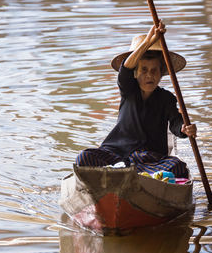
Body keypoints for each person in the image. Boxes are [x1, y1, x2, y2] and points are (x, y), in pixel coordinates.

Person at [75, 21, 197, 178]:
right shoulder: (129, 90)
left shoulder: (166, 98)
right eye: (144, 70)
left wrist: (184, 129)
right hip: (117, 152)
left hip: (147, 158)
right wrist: (148, 41)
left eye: (154, 70)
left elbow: (176, 123)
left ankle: (129, 175)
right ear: (136, 73)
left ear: (160, 75)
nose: (149, 75)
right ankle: (125, 172)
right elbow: (125, 69)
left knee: (178, 168)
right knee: (83, 158)